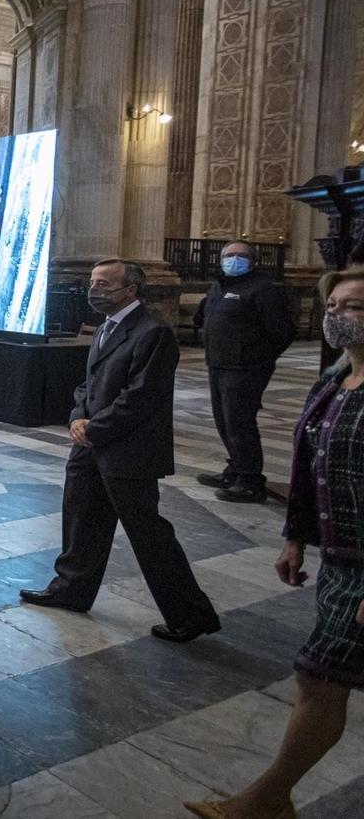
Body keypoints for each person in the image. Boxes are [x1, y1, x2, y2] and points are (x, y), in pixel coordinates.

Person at [184, 269, 364, 819]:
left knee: (321, 674)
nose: (338, 315)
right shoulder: (335, 379)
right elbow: (311, 467)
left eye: (354, 306)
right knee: (322, 678)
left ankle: (263, 802)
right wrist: (295, 539)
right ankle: (269, 800)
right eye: (332, 305)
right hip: (340, 561)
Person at [21, 259, 221, 643]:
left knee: (148, 535)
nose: (94, 290)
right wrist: (78, 417)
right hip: (90, 445)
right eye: (92, 282)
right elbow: (89, 384)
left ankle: (190, 615)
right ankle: (71, 590)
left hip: (128, 449)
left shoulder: (153, 332)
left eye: (103, 284)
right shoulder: (105, 327)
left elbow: (141, 397)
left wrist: (94, 428)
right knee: (82, 520)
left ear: (130, 289)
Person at [194, 240, 295, 504]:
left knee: (240, 423)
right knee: (224, 421)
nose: (234, 259)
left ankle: (251, 481)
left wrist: (257, 357)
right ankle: (236, 470)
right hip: (219, 363)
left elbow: (282, 331)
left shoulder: (263, 289)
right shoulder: (219, 285)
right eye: (229, 255)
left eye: (241, 255)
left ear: (253, 261)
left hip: (246, 367)